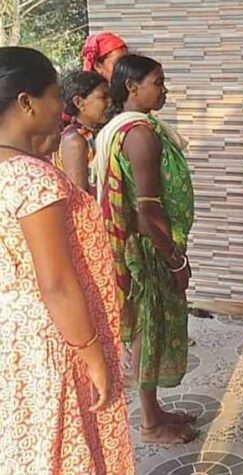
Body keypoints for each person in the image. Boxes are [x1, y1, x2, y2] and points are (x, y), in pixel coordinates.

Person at [0, 47, 134, 473]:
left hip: (15, 334)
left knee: (33, 446)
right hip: (56, 337)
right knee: (68, 444)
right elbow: (56, 282)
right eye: (55, 95)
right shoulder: (31, 178)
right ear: (26, 102)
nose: (61, 108)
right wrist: (93, 355)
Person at [96, 54, 197, 444]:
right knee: (147, 330)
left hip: (146, 245)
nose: (164, 90)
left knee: (149, 328)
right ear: (132, 87)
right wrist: (175, 260)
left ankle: (154, 411)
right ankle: (150, 424)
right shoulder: (139, 135)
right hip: (148, 250)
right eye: (157, 82)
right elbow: (147, 212)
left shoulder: (130, 128)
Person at [52, 71, 110, 195]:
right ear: (79, 103)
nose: (110, 102)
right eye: (104, 97)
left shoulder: (94, 134)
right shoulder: (75, 141)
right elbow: (78, 195)